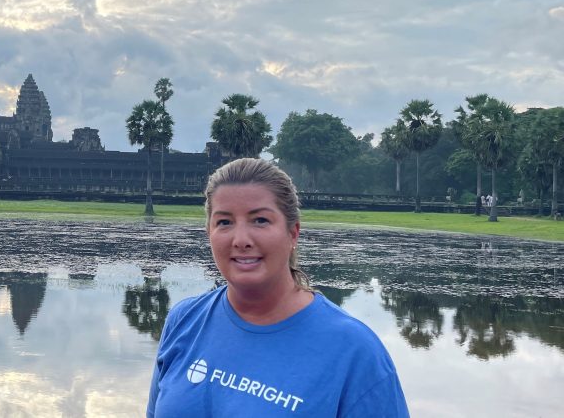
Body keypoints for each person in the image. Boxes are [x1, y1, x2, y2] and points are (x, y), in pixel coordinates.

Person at [147, 158, 409, 417]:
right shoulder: (184, 321)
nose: (241, 240)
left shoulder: (355, 351)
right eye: (224, 222)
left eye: (260, 220)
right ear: (209, 233)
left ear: (292, 233)